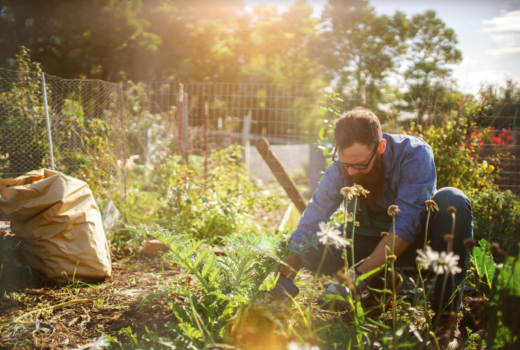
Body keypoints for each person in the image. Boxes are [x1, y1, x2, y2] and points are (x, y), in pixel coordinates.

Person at [268, 107, 473, 349]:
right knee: (311, 250)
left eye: (359, 165)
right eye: (346, 164)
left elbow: (406, 225)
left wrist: (355, 278)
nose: (351, 171)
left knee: (453, 200)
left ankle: (446, 319)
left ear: (381, 148)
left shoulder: (414, 154)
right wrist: (283, 279)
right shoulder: (341, 167)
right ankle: (383, 285)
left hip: (416, 244)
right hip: (368, 239)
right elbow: (313, 218)